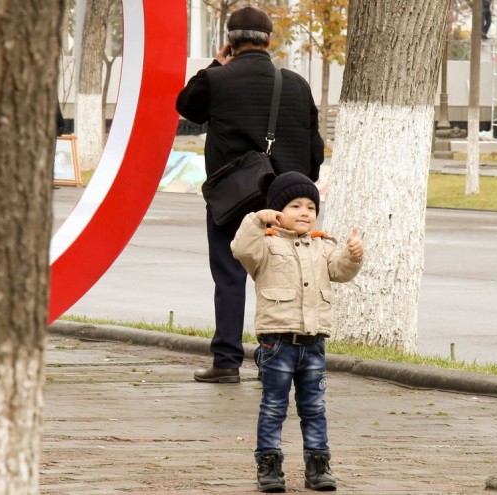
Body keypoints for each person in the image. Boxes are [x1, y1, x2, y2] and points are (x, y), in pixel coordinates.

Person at [176, 6, 324, 384]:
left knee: (229, 276)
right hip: (284, 198)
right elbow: (315, 148)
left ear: (230, 40)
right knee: (280, 277)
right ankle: (276, 361)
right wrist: (302, 198)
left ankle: (226, 361)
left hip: (233, 199)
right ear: (270, 41)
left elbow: (186, 106)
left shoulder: (217, 79)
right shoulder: (296, 84)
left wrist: (215, 63)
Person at [230, 172, 363, 492]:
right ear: (278, 210)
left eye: (310, 207)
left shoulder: (322, 244)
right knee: (274, 406)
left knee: (314, 407)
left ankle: (318, 465)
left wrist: (352, 255)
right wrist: (256, 220)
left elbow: (339, 272)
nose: (304, 213)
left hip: (314, 344)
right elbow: (240, 249)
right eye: (294, 206)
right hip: (277, 343)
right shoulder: (265, 244)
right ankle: (269, 464)